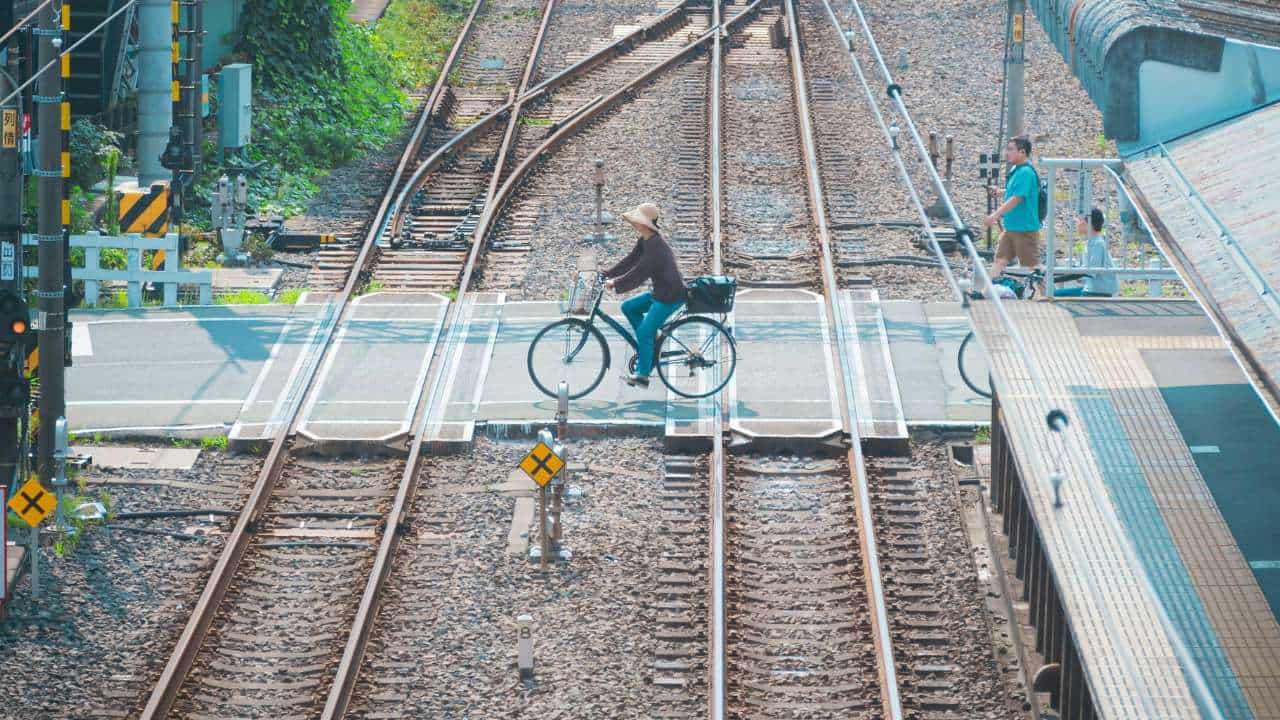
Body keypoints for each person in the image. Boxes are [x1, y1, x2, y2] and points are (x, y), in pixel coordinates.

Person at [602, 202, 686, 388]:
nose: (634, 224)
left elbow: (640, 272)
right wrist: (607, 273)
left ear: (645, 224)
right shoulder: (646, 240)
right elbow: (631, 260)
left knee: (644, 331)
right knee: (628, 307)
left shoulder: (656, 245)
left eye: (637, 220)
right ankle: (651, 341)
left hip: (670, 296)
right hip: (660, 292)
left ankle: (642, 374)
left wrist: (616, 283)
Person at [983, 136, 1042, 278]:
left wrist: (995, 215)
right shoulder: (1017, 170)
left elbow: (1017, 198)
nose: (1006, 153)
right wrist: (1000, 192)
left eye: (1010, 149)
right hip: (1011, 227)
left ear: (1022, 152)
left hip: (1024, 229)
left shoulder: (1025, 172)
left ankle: (1047, 295)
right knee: (1000, 260)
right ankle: (986, 293)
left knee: (1033, 266)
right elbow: (1014, 192)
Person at [1055, 207, 1118, 297]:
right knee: (1053, 293)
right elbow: (1082, 270)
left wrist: (1056, 279)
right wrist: (1053, 274)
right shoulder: (1091, 242)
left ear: (1089, 224)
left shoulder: (1098, 244)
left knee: (1053, 295)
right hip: (1092, 288)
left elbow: (1088, 272)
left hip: (1099, 292)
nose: (1077, 224)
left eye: (1080, 221)